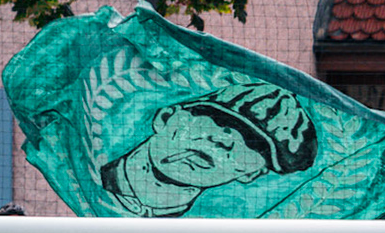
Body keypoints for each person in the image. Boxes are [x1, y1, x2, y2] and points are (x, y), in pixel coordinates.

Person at [101, 82, 319, 218]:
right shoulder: (88, 168)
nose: (223, 140)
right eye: (215, 119)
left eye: (251, 142)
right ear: (165, 118)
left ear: (252, 173)